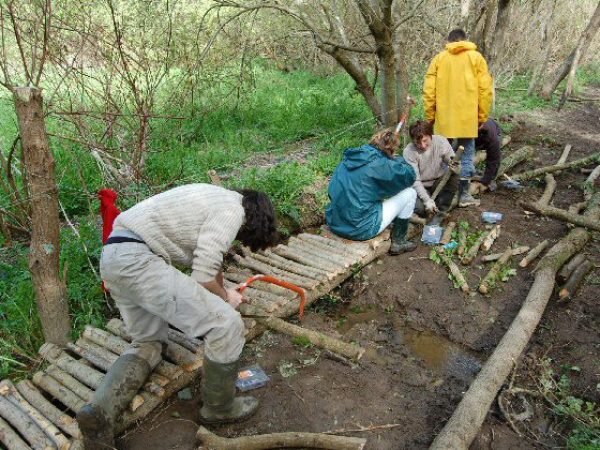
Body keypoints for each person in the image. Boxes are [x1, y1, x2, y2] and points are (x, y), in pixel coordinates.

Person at [77, 184, 279, 449]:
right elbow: (203, 276)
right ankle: (219, 408)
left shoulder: (215, 199)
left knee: (148, 343)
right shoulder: (233, 209)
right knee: (226, 324)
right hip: (140, 260)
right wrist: (226, 301)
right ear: (256, 218)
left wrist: (224, 293)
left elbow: (210, 261)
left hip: (115, 256)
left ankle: (99, 413)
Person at [423, 28, 494, 207]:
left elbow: (429, 91)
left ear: (449, 41)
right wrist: (482, 116)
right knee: (467, 156)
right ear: (465, 39)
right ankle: (463, 195)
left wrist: (430, 117)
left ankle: (443, 194)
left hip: (444, 119)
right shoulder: (476, 58)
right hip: (467, 119)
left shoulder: (439, 59)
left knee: (443, 156)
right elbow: (485, 91)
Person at [326, 128, 418, 254]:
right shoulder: (381, 164)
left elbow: (331, 189)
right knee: (410, 193)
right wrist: (397, 160)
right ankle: (399, 241)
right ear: (390, 149)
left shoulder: (350, 158)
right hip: (360, 229)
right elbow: (410, 176)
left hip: (335, 222)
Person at [403, 120, 459, 223]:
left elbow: (449, 158)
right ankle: (430, 207)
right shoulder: (409, 152)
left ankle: (442, 210)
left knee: (453, 175)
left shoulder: (441, 141)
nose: (422, 145)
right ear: (412, 140)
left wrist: (453, 163)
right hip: (419, 186)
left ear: (431, 135)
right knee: (421, 209)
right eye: (418, 142)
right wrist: (426, 200)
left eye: (425, 140)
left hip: (438, 183)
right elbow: (415, 180)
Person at [472, 118, 503, 194]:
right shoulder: (467, 127)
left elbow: (493, 160)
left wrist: (485, 182)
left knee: (495, 157)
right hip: (474, 132)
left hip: (495, 132)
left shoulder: (492, 138)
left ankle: (491, 179)